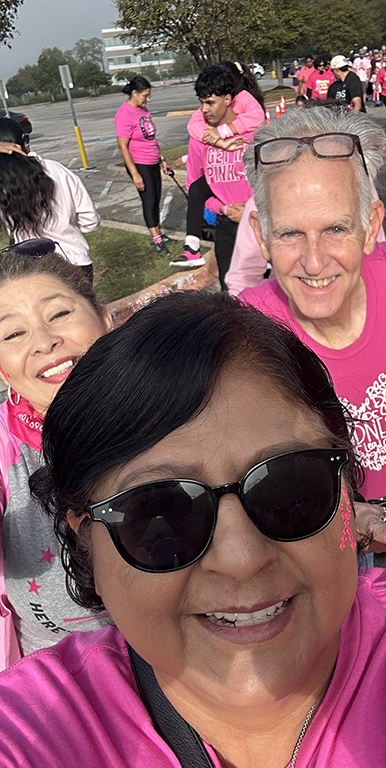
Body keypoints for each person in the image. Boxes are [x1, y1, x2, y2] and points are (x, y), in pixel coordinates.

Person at [1, 290, 386, 768]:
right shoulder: (33, 734)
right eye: (159, 517)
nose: (240, 560)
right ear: (85, 542)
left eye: (290, 490)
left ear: (348, 496)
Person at [240, 106, 386, 576]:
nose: (314, 262)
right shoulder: (246, 330)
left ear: (371, 224)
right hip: (324, 530)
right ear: (261, 235)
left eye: (336, 229)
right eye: (290, 234)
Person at [0, 250, 112, 668]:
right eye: (12, 335)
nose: (44, 341)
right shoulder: (6, 447)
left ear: (105, 317)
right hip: (62, 682)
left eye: (60, 313)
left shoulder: (176, 409)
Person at [173, 62, 264, 270]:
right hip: (226, 227)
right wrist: (222, 208)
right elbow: (193, 187)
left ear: (228, 98)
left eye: (210, 103)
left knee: (265, 292)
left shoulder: (255, 128)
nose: (204, 109)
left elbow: (276, 186)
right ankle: (192, 247)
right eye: (202, 103)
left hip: (259, 222)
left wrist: (251, 210)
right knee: (229, 292)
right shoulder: (200, 133)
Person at [0, 120, 99, 284]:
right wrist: (66, 226)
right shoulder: (55, 170)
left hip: (28, 268)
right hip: (74, 261)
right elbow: (91, 220)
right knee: (84, 308)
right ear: (25, 140)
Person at [114, 75, 170, 253]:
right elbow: (123, 146)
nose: (148, 99)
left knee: (156, 199)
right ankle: (156, 240)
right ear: (134, 93)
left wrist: (162, 159)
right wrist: (135, 174)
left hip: (153, 159)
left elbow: (152, 137)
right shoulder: (124, 113)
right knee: (149, 200)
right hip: (139, 163)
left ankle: (159, 232)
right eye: (145, 95)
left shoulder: (144, 110)